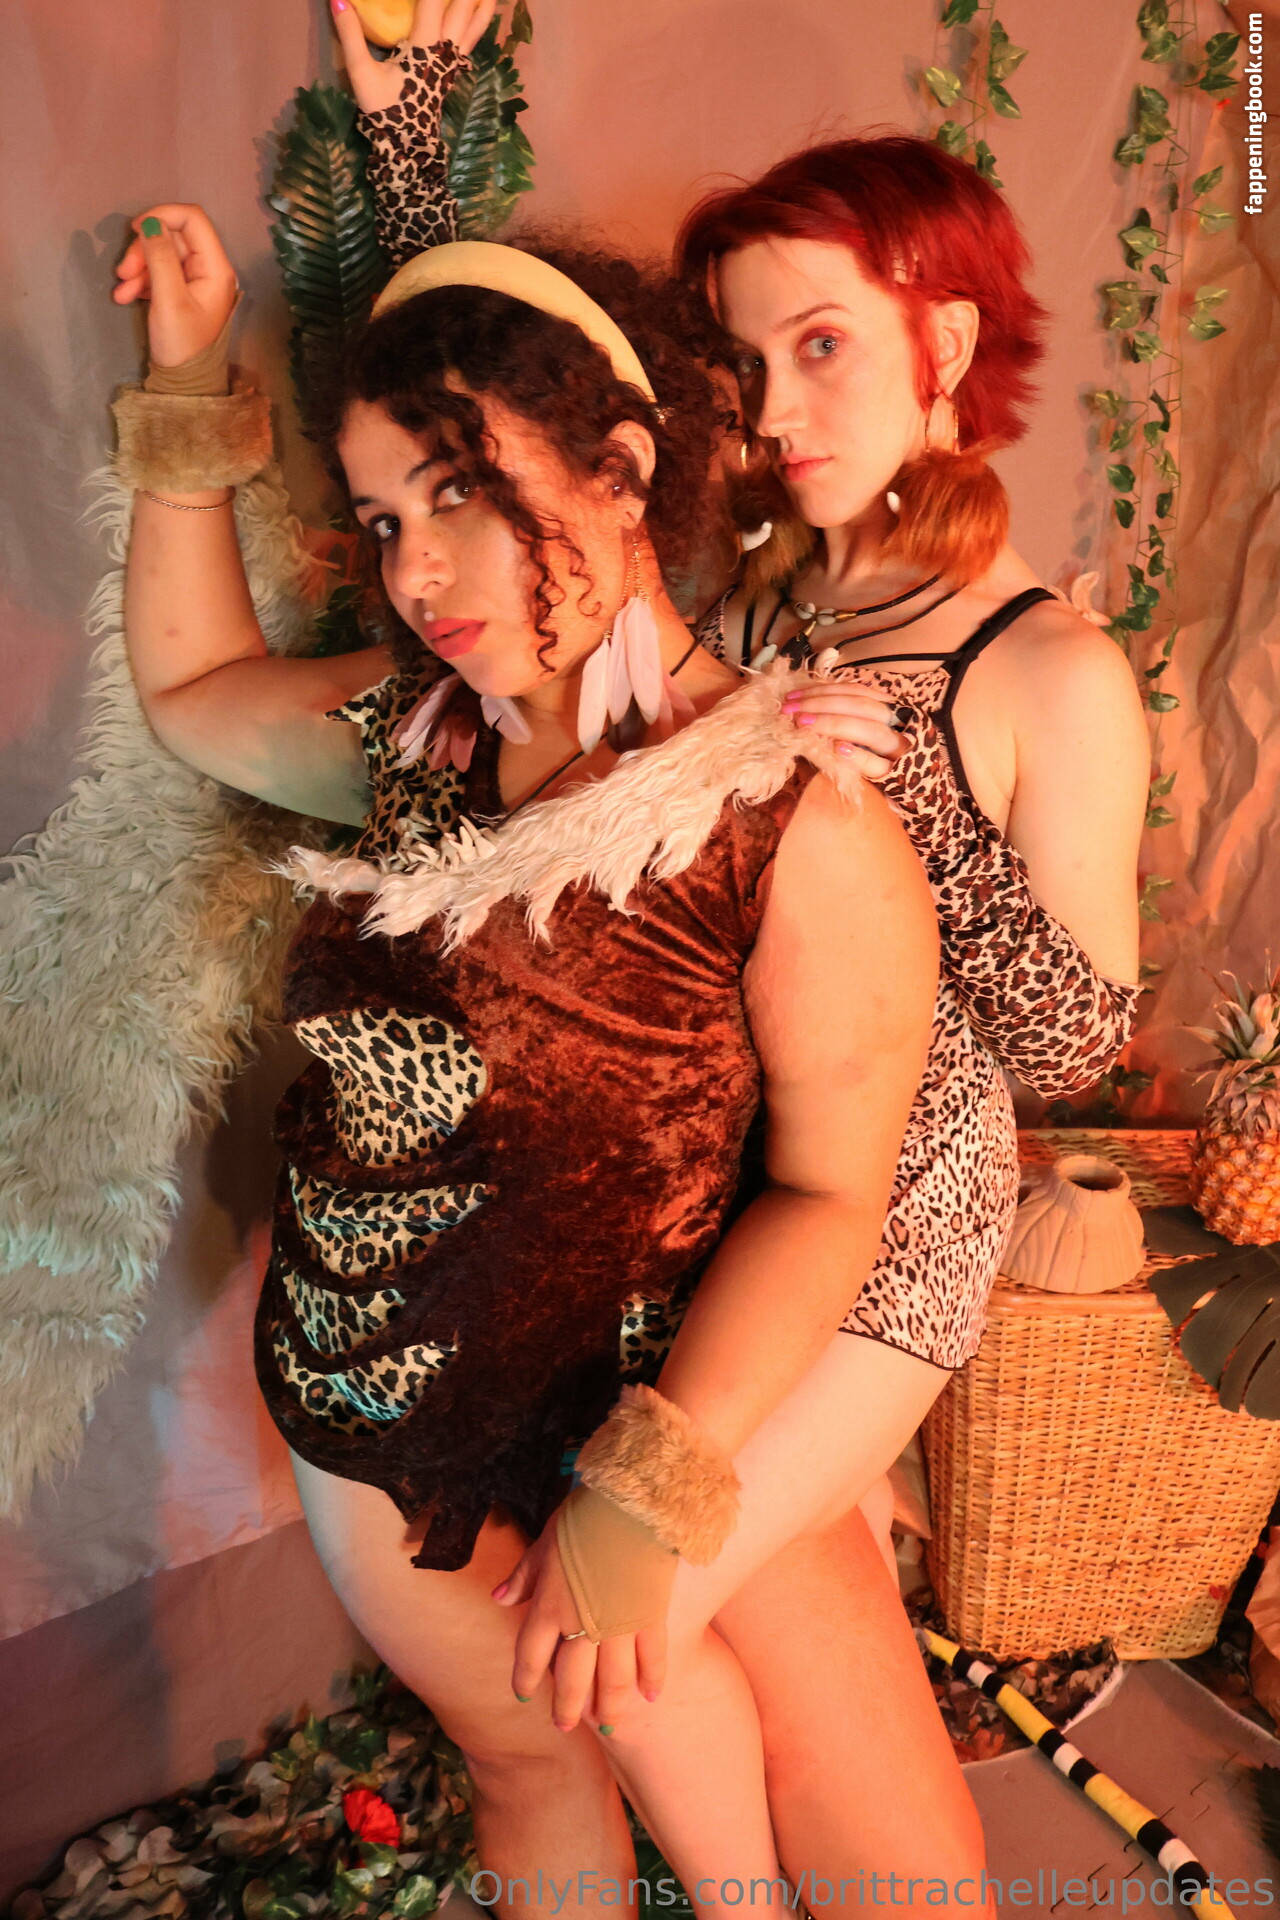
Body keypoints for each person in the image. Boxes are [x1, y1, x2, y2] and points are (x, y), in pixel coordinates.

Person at [106, 166, 1015, 1918]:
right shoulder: (412, 737)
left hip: (651, 1373)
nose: (418, 570)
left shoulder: (791, 817)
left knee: (891, 1847)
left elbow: (835, 1190)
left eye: (461, 491)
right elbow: (193, 693)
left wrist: (654, 1484)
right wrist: (189, 382)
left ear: (623, 465)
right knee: (535, 1757)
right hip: (381, 1403)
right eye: (383, 519)